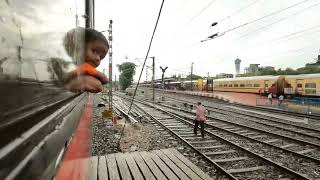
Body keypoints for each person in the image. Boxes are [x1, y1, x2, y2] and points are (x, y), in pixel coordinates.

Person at [63, 27, 109, 93]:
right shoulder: (66, 66)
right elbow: (97, 85)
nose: (98, 58)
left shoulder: (83, 71)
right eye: (94, 51)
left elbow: (99, 85)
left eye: (101, 57)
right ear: (78, 47)